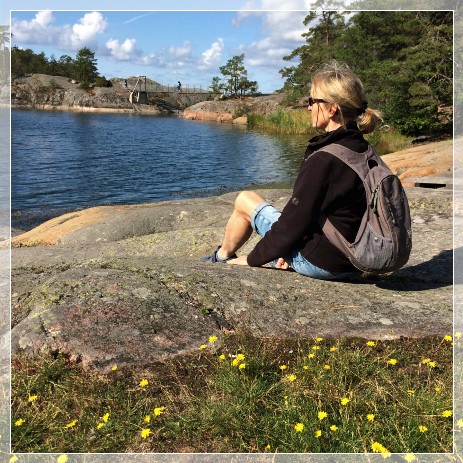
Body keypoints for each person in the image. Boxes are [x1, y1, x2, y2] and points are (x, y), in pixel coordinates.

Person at [201, 61, 384, 280]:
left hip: (326, 262)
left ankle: (221, 258)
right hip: (357, 257)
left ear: (332, 108)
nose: (308, 107)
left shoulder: (325, 158)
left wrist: (252, 259)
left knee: (245, 199)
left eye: (312, 101)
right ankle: (228, 255)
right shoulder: (364, 150)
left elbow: (293, 223)